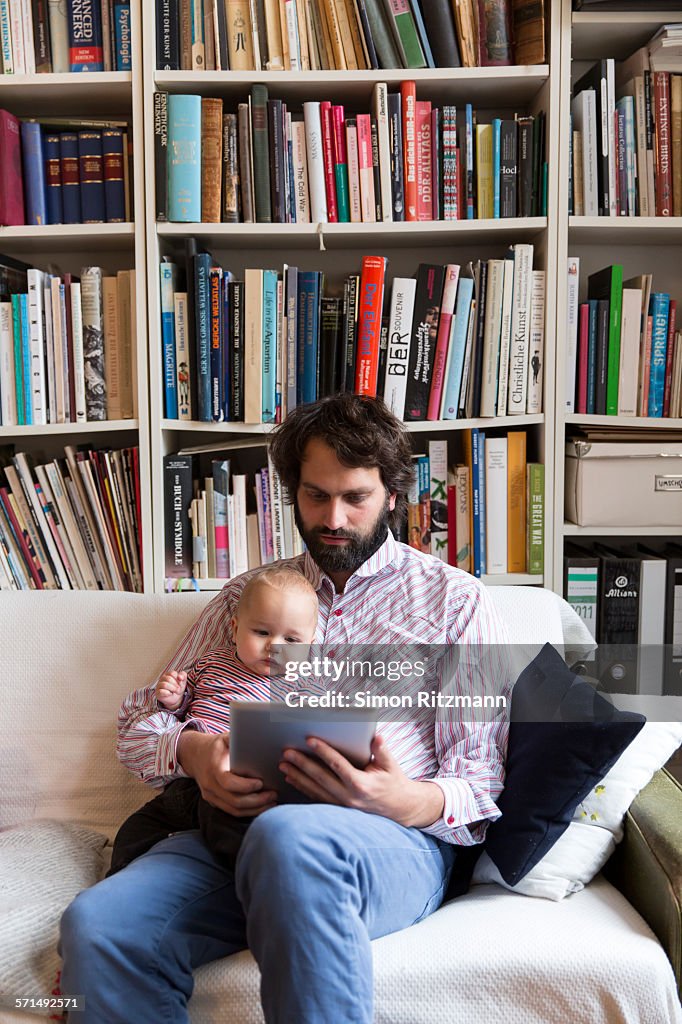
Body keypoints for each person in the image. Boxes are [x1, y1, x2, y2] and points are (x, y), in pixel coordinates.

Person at [59, 393, 511, 1024]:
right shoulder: (249, 599)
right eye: (315, 496)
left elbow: (479, 783)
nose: (334, 517)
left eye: (356, 497)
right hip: (233, 834)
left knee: (289, 837)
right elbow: (144, 723)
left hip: (388, 842)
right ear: (292, 494)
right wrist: (195, 754)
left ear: (392, 496)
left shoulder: (455, 603)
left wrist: (398, 798)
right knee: (99, 924)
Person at [106, 565, 319, 875]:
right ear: (234, 628)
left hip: (241, 789)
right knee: (134, 830)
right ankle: (119, 876)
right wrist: (173, 699)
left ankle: (255, 876)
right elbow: (179, 708)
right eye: (262, 632)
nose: (275, 646)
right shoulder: (211, 662)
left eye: (292, 640)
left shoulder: (303, 689)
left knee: (231, 827)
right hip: (184, 785)